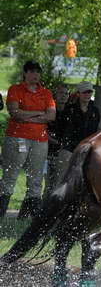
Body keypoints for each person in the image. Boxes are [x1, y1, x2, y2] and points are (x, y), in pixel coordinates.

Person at [0, 61, 55, 218]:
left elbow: (51, 115)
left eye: (37, 72)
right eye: (31, 72)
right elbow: (14, 112)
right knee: (10, 176)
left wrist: (28, 115)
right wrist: (39, 114)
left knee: (36, 178)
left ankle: (31, 219)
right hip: (17, 138)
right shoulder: (15, 89)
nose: (35, 75)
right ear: (25, 73)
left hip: (40, 140)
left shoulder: (46, 93)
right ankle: (1, 214)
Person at [54, 81, 101, 186]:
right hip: (68, 150)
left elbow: (95, 132)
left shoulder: (95, 111)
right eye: (84, 92)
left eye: (89, 92)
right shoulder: (69, 110)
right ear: (78, 93)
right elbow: (59, 130)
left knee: (84, 183)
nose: (87, 94)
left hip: (87, 151)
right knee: (61, 181)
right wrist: (64, 143)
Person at [43, 84, 70, 198]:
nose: (63, 96)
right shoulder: (48, 110)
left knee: (59, 184)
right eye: (60, 93)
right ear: (55, 95)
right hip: (47, 152)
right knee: (48, 184)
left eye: (66, 93)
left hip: (63, 153)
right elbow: (43, 131)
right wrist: (54, 141)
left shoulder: (72, 111)